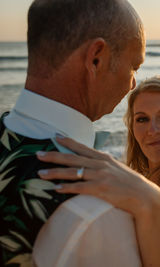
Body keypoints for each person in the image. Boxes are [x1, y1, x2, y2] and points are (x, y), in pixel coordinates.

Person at [0, 0, 145, 266]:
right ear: (96, 59)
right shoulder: (99, 210)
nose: (133, 82)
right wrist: (153, 203)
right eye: (134, 66)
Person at [35, 76, 160, 266]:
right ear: (133, 130)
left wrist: (149, 200)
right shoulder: (120, 186)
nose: (153, 129)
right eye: (142, 119)